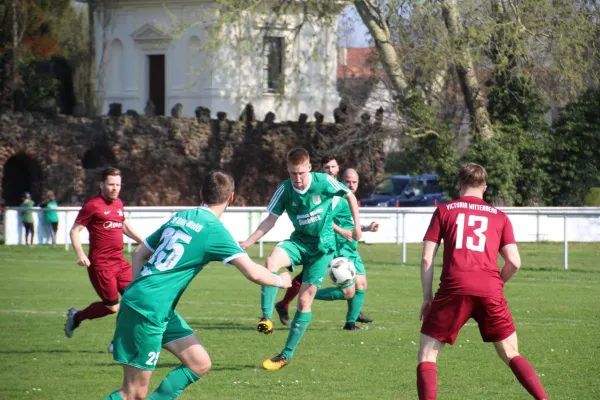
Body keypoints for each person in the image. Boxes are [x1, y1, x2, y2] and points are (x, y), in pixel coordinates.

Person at [104, 171, 292, 400]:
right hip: (149, 309)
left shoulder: (182, 216)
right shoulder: (215, 230)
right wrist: (282, 281)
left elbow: (139, 253)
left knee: (199, 363)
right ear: (231, 197)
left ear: (201, 193)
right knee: (133, 394)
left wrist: (135, 295)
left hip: (154, 305)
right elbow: (253, 272)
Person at [417, 163, 548, 400]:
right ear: (485, 188)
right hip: (489, 289)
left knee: (427, 356)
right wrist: (496, 284)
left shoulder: (444, 211)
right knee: (510, 352)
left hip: (454, 289)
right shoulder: (500, 217)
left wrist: (427, 299)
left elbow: (427, 258)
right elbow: (514, 262)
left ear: (459, 185)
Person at [240, 148, 362, 370]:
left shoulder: (324, 181)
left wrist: (357, 228)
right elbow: (270, 220)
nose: (296, 178)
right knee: (271, 262)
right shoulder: (285, 189)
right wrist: (248, 242)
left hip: (322, 250)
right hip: (298, 242)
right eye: (292, 173)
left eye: (300, 173)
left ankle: (285, 355)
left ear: (308, 167)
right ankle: (266, 318)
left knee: (304, 302)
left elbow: (350, 196)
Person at [276, 166, 378, 330]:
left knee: (362, 284)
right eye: (347, 182)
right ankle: (308, 296)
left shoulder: (349, 200)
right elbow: (322, 219)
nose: (351, 185)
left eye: (354, 182)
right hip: (336, 246)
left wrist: (366, 228)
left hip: (350, 246)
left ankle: (351, 322)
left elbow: (349, 225)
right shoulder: (335, 198)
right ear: (341, 182)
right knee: (348, 290)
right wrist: (342, 232)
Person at [64, 167, 144, 352]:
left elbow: (123, 225)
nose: (115, 188)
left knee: (136, 299)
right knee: (112, 307)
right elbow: (75, 231)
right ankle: (77, 317)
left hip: (120, 262)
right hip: (101, 265)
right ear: (102, 184)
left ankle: (118, 341)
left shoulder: (118, 204)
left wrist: (143, 242)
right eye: (111, 184)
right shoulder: (93, 205)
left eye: (118, 184)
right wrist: (81, 255)